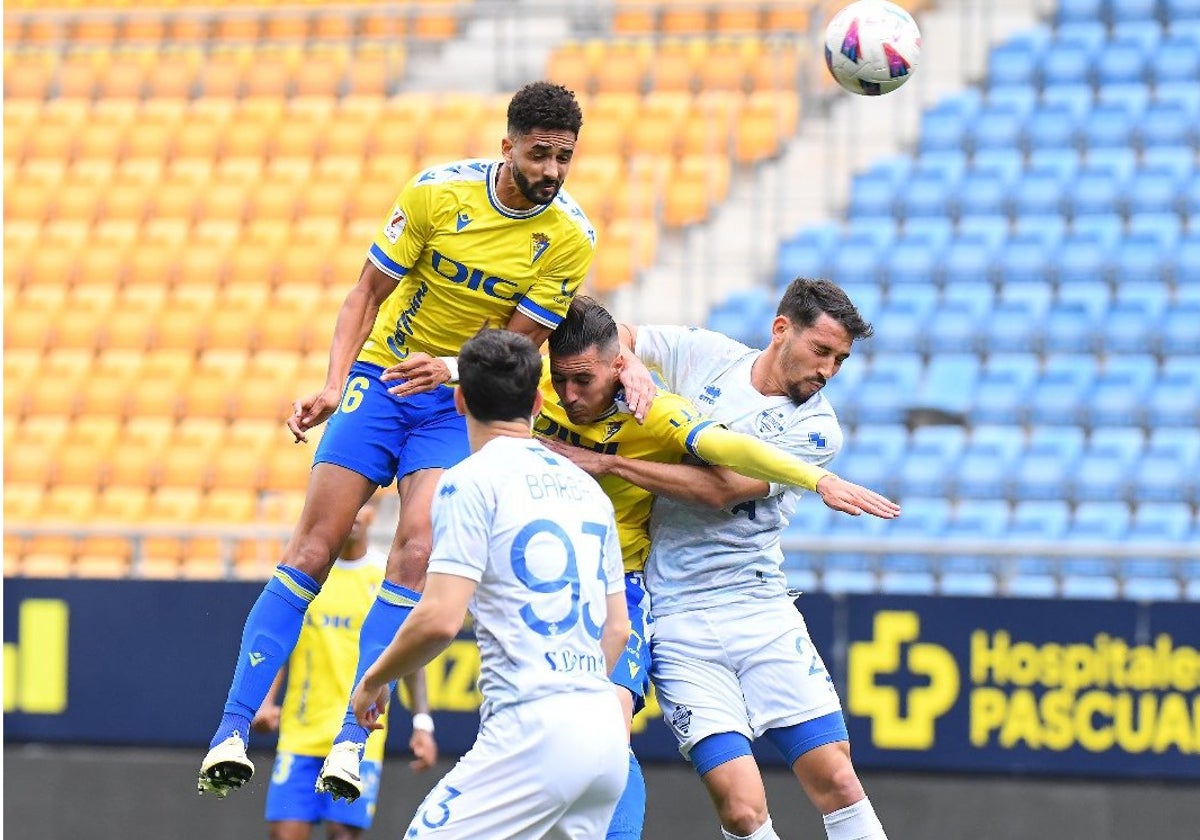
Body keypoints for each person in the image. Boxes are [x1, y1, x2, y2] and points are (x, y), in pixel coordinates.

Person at [197, 80, 654, 798]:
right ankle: (230, 728)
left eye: (565, 157)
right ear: (507, 147)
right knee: (315, 546)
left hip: (454, 399)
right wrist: (331, 380)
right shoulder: (437, 194)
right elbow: (364, 295)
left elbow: (520, 343)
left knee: (417, 543)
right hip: (380, 379)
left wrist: (448, 368)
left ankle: (354, 737)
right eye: (540, 155)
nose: (553, 172)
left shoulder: (569, 235)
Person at [536, 296, 899, 840]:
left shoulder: (819, 430)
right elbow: (621, 334)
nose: (828, 370)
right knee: (740, 807)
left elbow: (720, 489)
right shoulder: (706, 355)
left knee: (836, 777)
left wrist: (609, 462)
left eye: (839, 360)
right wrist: (630, 363)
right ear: (782, 330)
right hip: (678, 616)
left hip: (760, 609)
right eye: (820, 350)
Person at [350, 327, 631, 839]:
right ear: (540, 401)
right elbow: (617, 629)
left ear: (458, 400)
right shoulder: (588, 490)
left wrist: (374, 679)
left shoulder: (468, 480)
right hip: (602, 727)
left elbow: (438, 619)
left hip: (532, 730)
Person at [251, 499, 439, 840]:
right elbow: (281, 644)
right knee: (284, 833)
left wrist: (422, 723)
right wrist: (264, 703)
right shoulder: (308, 573)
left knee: (342, 833)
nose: (354, 513)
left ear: (375, 513)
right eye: (349, 504)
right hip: (301, 734)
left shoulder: (386, 581)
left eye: (364, 505)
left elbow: (407, 656)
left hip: (358, 738)